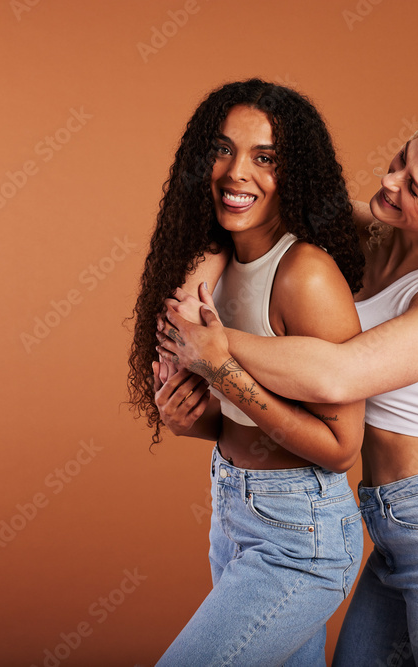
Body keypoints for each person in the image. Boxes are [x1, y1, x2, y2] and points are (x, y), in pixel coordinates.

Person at [159, 104, 418, 666]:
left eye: (413, 187)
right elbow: (251, 213)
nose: (389, 183)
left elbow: (336, 374)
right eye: (398, 161)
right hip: (393, 528)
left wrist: (217, 349)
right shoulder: (372, 232)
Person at [128, 79, 367, 666]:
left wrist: (222, 370)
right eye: (223, 149)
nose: (237, 172)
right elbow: (243, 420)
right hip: (234, 508)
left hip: (299, 533)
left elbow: (340, 449)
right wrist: (195, 419)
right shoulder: (216, 261)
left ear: (295, 175)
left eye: (265, 158)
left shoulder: (304, 274)